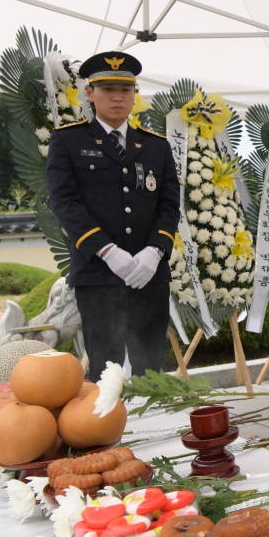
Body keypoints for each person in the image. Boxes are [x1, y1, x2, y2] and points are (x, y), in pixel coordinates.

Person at [46, 52, 179, 380]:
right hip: (98, 275)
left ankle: (152, 428)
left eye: (125, 88)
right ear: (89, 93)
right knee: (105, 371)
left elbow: (169, 205)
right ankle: (107, 431)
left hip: (149, 275)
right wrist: (107, 251)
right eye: (106, 89)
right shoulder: (68, 141)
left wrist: (154, 252)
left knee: (152, 370)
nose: (117, 96)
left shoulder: (156, 147)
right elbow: (65, 202)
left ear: (135, 94)